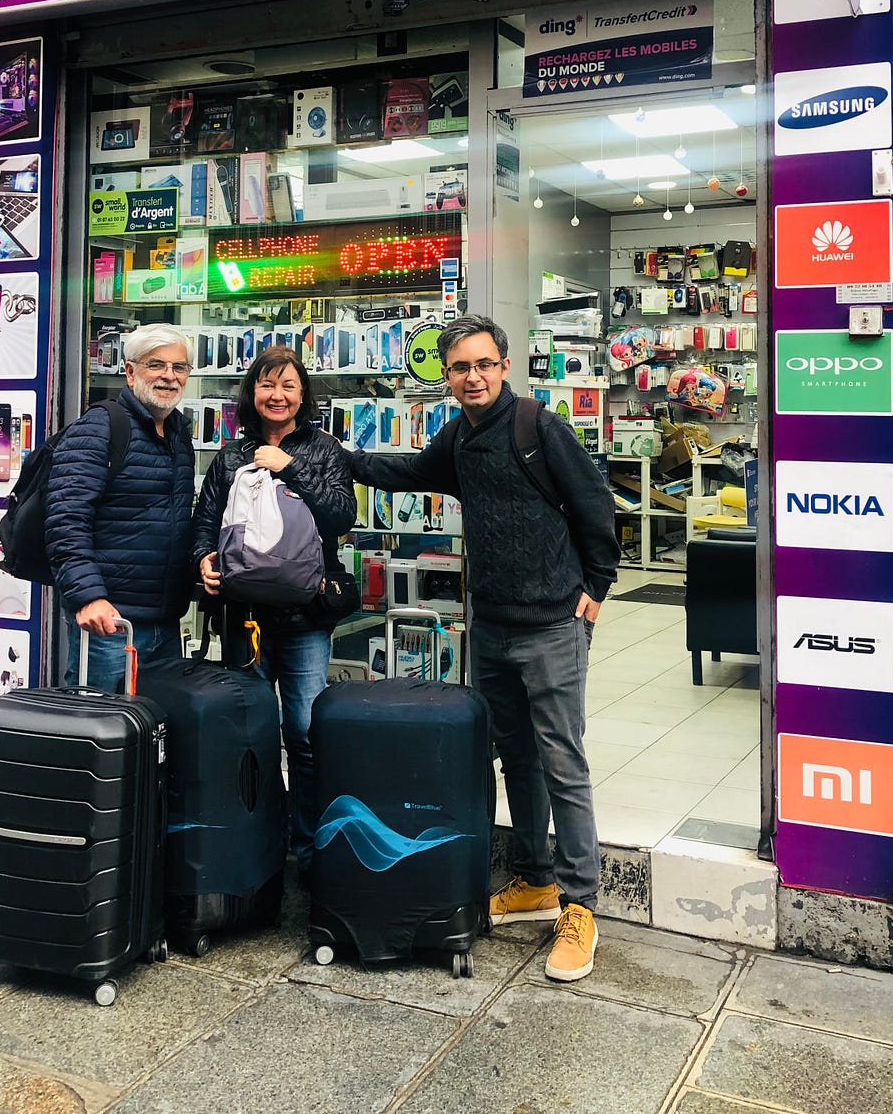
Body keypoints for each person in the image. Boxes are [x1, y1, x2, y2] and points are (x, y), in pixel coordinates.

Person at [348, 313, 619, 982]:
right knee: (516, 759)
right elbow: (407, 472)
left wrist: (597, 587)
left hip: (552, 625)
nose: (474, 377)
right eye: (461, 367)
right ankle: (535, 878)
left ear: (504, 366)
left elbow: (596, 505)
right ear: (446, 375)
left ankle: (580, 906)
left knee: (562, 762)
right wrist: (333, 457)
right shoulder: (458, 437)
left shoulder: (537, 427)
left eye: (484, 364)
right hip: (492, 626)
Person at [192, 346, 356, 885]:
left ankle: (309, 847)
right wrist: (203, 560)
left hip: (306, 616)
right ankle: (259, 843)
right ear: (252, 393)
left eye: (288, 385)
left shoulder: (324, 449)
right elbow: (204, 520)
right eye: (267, 384)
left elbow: (341, 516)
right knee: (253, 732)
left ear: (303, 394)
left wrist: (292, 469)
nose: (277, 395)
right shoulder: (231, 456)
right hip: (245, 618)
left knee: (304, 731)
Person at [47, 323, 197, 690]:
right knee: (99, 719)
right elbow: (66, 520)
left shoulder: (178, 434)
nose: (169, 376)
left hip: (165, 622)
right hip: (110, 623)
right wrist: (89, 598)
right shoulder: (100, 427)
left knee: (155, 722)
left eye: (179, 367)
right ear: (130, 372)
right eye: (156, 364)